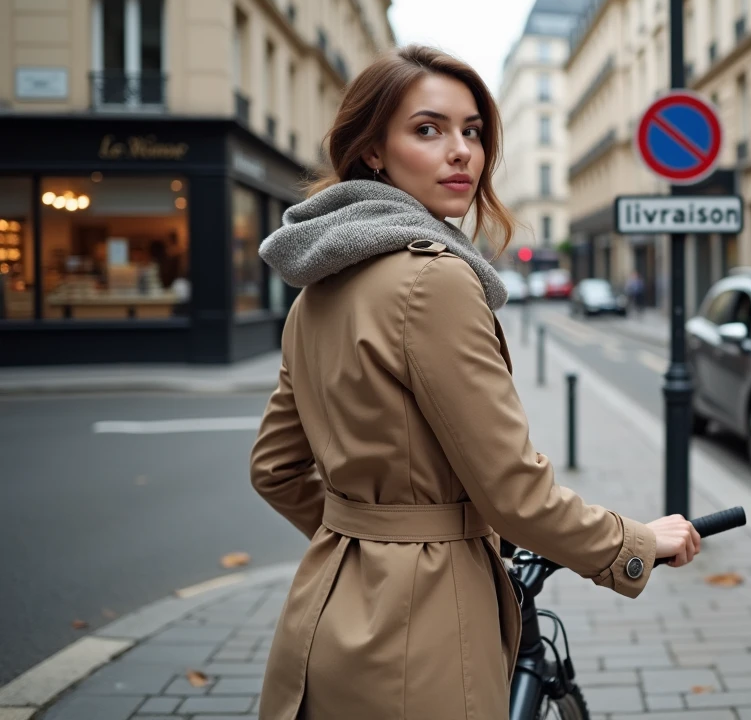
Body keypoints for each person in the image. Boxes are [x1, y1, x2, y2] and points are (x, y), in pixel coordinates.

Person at [250, 44, 700, 720]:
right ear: (373, 151)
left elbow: (274, 469)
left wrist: (370, 537)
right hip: (423, 637)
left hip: (325, 618)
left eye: (473, 131)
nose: (461, 151)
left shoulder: (318, 287)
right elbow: (514, 492)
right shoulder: (434, 279)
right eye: (428, 129)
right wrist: (633, 545)